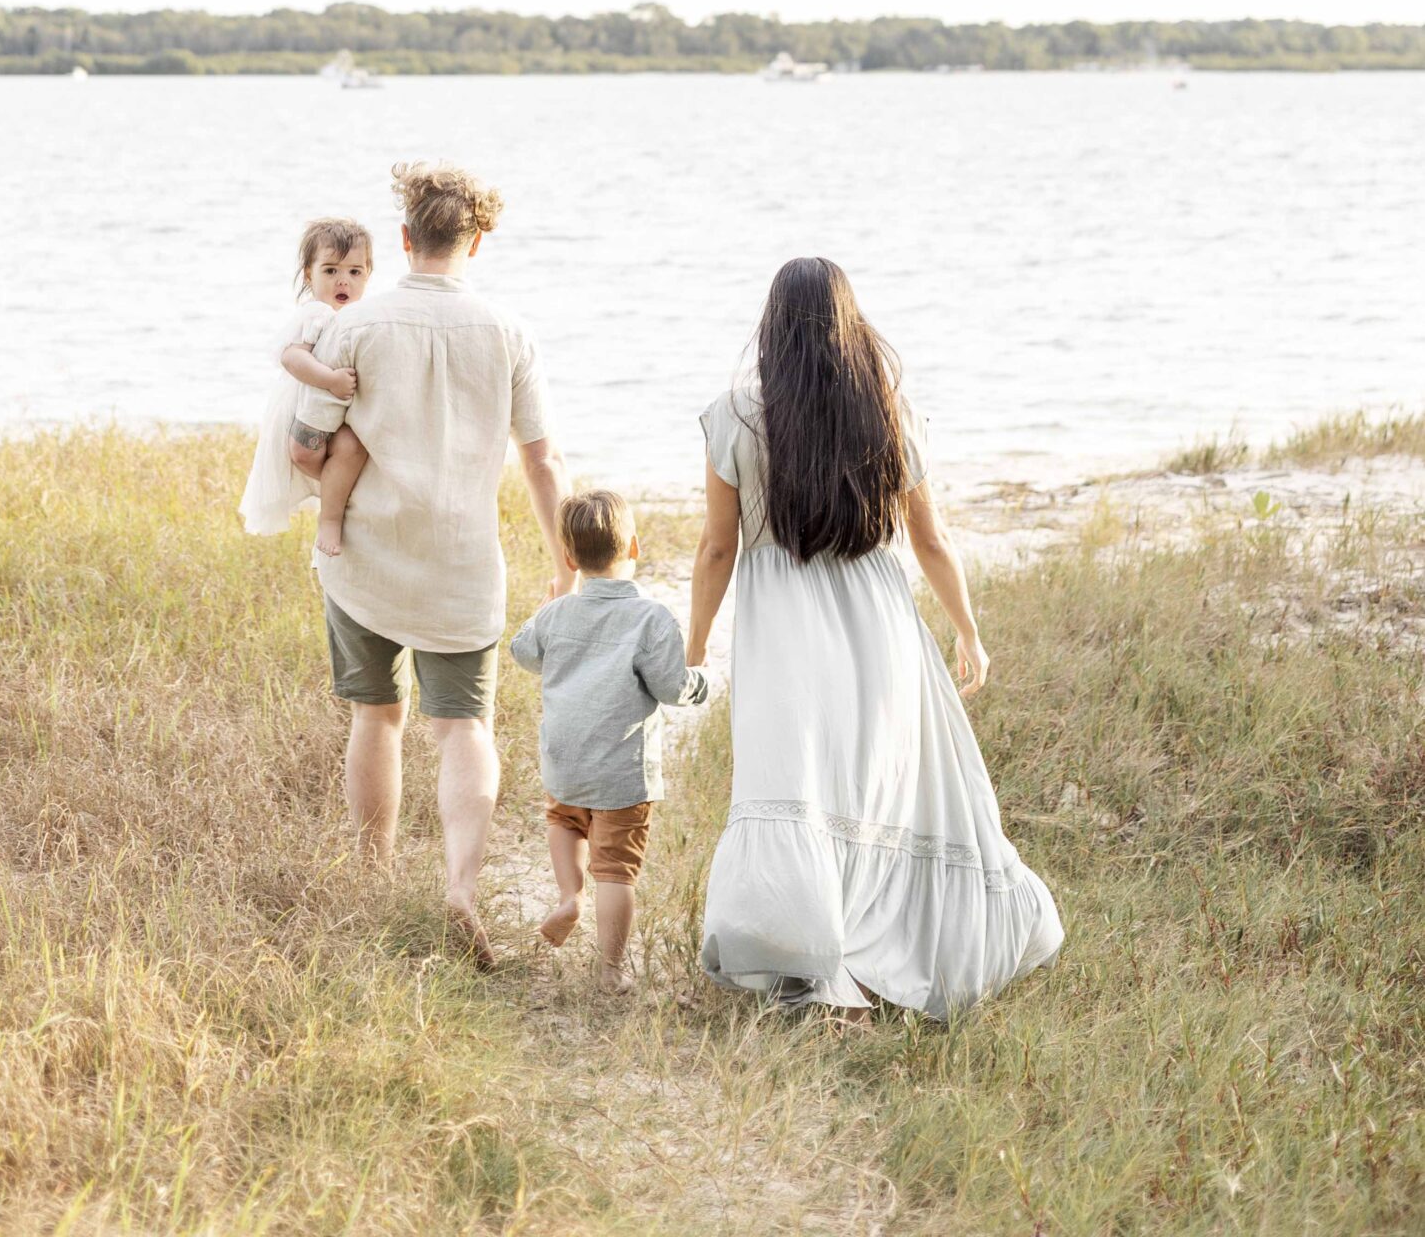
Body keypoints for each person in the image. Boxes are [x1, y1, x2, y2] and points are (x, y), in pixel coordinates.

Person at [688, 257, 1063, 1020]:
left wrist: (694, 650)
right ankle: (855, 970)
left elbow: (717, 549)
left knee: (796, 786)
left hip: (783, 631)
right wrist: (966, 631)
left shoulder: (733, 416)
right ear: (849, 327)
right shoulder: (887, 412)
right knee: (874, 792)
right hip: (879, 623)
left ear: (771, 328)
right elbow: (931, 540)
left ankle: (819, 970)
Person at [313, 159, 572, 964]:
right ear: (478, 239)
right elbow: (541, 460)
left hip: (365, 559)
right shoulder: (508, 331)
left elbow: (311, 441)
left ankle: (375, 872)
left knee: (375, 716)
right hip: (463, 564)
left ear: (402, 239)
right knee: (463, 725)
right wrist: (563, 558)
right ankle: (460, 883)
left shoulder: (354, 324)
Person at [511, 489, 709, 992]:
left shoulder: (556, 614)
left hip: (565, 762)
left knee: (564, 820)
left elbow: (523, 653)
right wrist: (700, 680)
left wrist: (545, 612)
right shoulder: (651, 618)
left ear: (571, 558)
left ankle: (568, 896)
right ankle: (609, 972)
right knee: (617, 870)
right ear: (635, 547)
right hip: (621, 772)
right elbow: (670, 687)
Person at [238, 219, 372, 553]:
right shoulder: (317, 313)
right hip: (302, 408)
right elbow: (292, 357)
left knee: (349, 448)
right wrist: (330, 380)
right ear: (309, 275)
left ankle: (339, 497)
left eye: (355, 272)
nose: (343, 280)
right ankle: (329, 519)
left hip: (329, 409)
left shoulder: (357, 317)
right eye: (330, 271)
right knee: (320, 452)